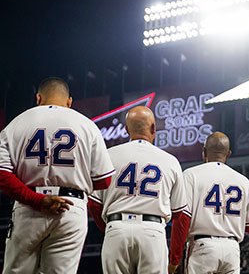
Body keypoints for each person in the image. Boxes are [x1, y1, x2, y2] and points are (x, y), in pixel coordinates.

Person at [0, 77, 115, 273]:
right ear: (69, 102)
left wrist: (38, 199)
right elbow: (104, 180)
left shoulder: (16, 124)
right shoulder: (87, 126)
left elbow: (2, 175)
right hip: (71, 207)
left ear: (38, 98)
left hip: (29, 206)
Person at [88, 106, 190, 274]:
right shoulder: (170, 161)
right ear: (153, 128)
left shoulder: (109, 155)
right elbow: (180, 214)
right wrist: (175, 258)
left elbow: (93, 204)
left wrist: (110, 228)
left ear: (127, 129)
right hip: (152, 231)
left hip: (117, 228)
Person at [183, 131, 249, 274]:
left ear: (204, 152)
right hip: (231, 248)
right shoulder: (243, 181)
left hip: (203, 246)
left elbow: (183, 218)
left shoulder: (191, 174)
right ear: (229, 153)